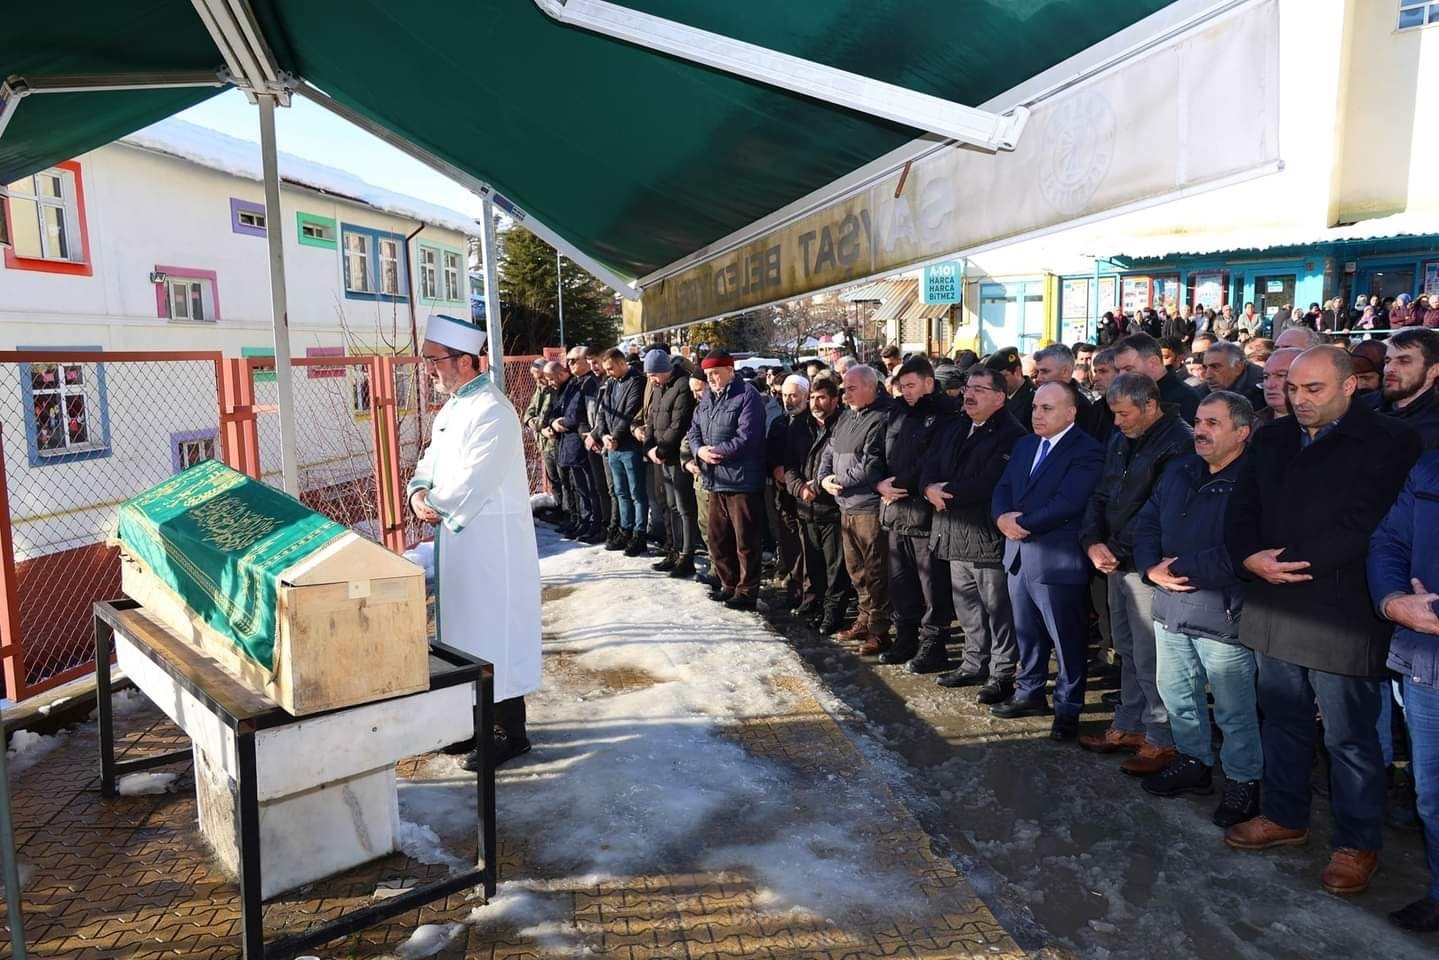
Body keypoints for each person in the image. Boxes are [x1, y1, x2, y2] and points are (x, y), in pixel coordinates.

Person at [1223, 346, 1423, 895]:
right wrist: (1249, 558)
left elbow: (1370, 525)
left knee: (1349, 737)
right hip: (1272, 601)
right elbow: (1240, 510)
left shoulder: (1391, 441)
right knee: (1281, 720)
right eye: (1292, 389)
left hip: (1341, 612)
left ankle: (1358, 842)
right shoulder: (1271, 438)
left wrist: (1286, 561)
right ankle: (1285, 816)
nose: (1299, 399)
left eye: (1313, 390)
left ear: (1349, 387)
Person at [409, 316, 541, 770]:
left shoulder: (492, 410)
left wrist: (437, 502)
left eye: (434, 360)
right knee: (466, 634)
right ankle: (475, 726)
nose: (428, 369)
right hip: (462, 542)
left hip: (492, 548)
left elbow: (476, 478)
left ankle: (510, 733)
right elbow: (430, 460)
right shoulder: (452, 409)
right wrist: (418, 491)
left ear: (465, 361)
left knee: (495, 634)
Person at [1132, 391, 1262, 826]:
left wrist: (1179, 569)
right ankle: (1194, 762)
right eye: (1199, 421)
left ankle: (1243, 782)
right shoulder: (1180, 469)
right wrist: (1151, 566)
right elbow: (1146, 521)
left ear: (1242, 433)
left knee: (1233, 707)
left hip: (1222, 614)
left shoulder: (1255, 480)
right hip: (1171, 607)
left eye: (1213, 423)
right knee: (1177, 693)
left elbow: (1245, 549)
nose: (1200, 430)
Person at [1077, 374, 1194, 774]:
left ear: (1150, 406)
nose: (1117, 422)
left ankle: (1161, 737)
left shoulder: (1178, 442)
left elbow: (1156, 510)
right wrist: (1092, 540)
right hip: (1114, 560)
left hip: (1147, 564)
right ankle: (1129, 724)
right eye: (1113, 414)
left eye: (1124, 414)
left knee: (1151, 655)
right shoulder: (1122, 438)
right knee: (1127, 648)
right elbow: (1100, 493)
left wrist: (1116, 548)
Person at [990, 382, 1105, 740]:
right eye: (1035, 408)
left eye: (1047, 409)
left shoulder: (1087, 451)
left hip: (1056, 560)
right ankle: (1030, 692)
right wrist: (1000, 519)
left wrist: (1020, 523)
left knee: (1066, 639)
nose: (1036, 414)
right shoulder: (1025, 444)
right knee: (1027, 633)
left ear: (1070, 412)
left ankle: (1068, 708)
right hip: (1019, 555)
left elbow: (1068, 501)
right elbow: (1003, 487)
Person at [924, 366, 1026, 703]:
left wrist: (944, 492)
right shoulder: (956, 425)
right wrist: (927, 488)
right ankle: (972, 663)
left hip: (985, 535)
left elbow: (989, 482)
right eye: (968, 387)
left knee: (997, 609)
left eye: (980, 389)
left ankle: (1002, 673)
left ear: (999, 396)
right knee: (966, 607)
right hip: (953, 533)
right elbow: (931, 463)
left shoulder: (1012, 434)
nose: (969, 394)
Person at [1368, 452, 1439, 932]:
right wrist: (1394, 601)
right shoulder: (1430, 467)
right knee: (1432, 795)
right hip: (1426, 664)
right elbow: (1389, 540)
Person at [878, 357, 956, 672]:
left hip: (925, 515)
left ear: (928, 381)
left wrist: (896, 485)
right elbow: (877, 452)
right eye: (902, 386)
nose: (906, 392)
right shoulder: (896, 412)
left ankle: (934, 645)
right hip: (895, 510)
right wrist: (877, 483)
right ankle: (905, 638)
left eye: (911, 385)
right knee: (900, 583)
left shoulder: (946, 415)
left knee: (932, 586)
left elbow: (932, 462)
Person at [820, 364, 894, 654]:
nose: (845, 393)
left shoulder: (882, 416)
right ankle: (863, 619)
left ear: (869, 387)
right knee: (856, 571)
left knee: (876, 571)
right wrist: (823, 478)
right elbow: (830, 449)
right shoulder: (847, 417)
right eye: (844, 388)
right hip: (845, 505)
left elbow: (871, 464)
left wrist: (839, 480)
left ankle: (879, 630)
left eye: (851, 388)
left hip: (869, 507)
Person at [687, 350, 767, 610]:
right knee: (718, 538)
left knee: (745, 540)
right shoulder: (708, 397)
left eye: (715, 374)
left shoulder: (747, 396)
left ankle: (747, 590)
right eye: (708, 375)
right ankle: (728, 584)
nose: (711, 379)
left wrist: (717, 452)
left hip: (741, 480)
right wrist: (699, 451)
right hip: (714, 478)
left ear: (729, 371)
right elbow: (694, 428)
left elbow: (748, 437)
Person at [784, 376, 853, 634]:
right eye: (813, 397)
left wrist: (819, 486)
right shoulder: (799, 426)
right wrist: (799, 488)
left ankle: (833, 614)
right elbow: (789, 465)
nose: (816, 402)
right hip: (805, 506)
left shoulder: (843, 425)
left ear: (835, 400)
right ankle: (820, 608)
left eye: (822, 397)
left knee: (836, 567)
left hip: (832, 507)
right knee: (814, 565)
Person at [588, 348, 649, 556]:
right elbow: (604, 412)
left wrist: (615, 437)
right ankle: (625, 529)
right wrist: (604, 435)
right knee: (620, 492)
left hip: (629, 446)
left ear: (622, 363)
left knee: (636, 493)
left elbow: (629, 412)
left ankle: (639, 533)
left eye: (611, 368)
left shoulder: (637, 381)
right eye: (606, 369)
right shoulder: (611, 383)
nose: (608, 372)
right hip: (612, 446)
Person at [644, 349, 699, 578]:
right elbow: (652, 419)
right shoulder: (659, 387)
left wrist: (662, 448)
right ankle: (674, 550)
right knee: (670, 505)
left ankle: (687, 554)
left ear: (664, 370)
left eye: (654, 374)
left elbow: (679, 423)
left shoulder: (683, 385)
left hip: (677, 457)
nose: (652, 380)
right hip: (661, 455)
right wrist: (649, 447)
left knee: (684, 507)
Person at [549, 348, 603, 544]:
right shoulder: (574, 383)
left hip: (583, 442)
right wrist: (553, 423)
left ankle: (594, 523)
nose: (569, 364)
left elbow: (581, 414)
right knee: (579, 487)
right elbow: (560, 408)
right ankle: (584, 520)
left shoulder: (589, 383)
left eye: (573, 360)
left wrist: (562, 423)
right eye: (568, 361)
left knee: (591, 488)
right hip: (571, 442)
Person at [767, 375, 811, 605]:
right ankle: (794, 588)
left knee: (807, 545)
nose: (789, 400)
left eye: (794, 395)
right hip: (782, 491)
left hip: (806, 492)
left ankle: (807, 591)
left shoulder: (812, 423)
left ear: (805, 396)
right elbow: (769, 452)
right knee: (789, 541)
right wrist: (775, 469)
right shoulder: (779, 423)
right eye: (785, 395)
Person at [1114, 333, 1202, 423]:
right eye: (1118, 370)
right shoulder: (1130, 394)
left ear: (1153, 363)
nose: (1121, 376)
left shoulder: (1184, 400)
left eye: (1128, 369)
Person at [1374, 327, 1439, 450]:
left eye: (1404, 361)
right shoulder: (1361, 405)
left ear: (1433, 370)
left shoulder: (1434, 427)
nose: (1389, 369)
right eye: (1387, 361)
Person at [523, 359, 564, 524]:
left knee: (562, 479)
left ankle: (566, 512)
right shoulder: (539, 390)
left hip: (553, 440)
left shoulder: (553, 390)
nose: (537, 379)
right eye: (534, 376)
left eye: (539, 375)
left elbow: (548, 413)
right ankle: (559, 508)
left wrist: (538, 425)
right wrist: (530, 420)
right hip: (543, 441)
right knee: (553, 478)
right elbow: (529, 411)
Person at [1033, 343, 1102, 439]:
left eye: (1045, 371)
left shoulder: (1082, 407)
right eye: (1038, 372)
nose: (1038, 378)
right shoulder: (1034, 397)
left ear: (1065, 372)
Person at [1202, 341, 1264, 409]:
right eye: (1205, 368)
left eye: (1215, 367)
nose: (1208, 376)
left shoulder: (1261, 393)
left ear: (1237, 367)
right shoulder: (1201, 392)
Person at [987, 347, 1036, 432]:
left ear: (1017, 371)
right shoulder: (998, 396)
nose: (997, 383)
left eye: (1001, 377)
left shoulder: (1034, 398)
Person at [1256, 347, 1302, 427]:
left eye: (1280, 375)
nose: (1270, 385)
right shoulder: (1250, 422)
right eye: (1266, 377)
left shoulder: (1322, 429)